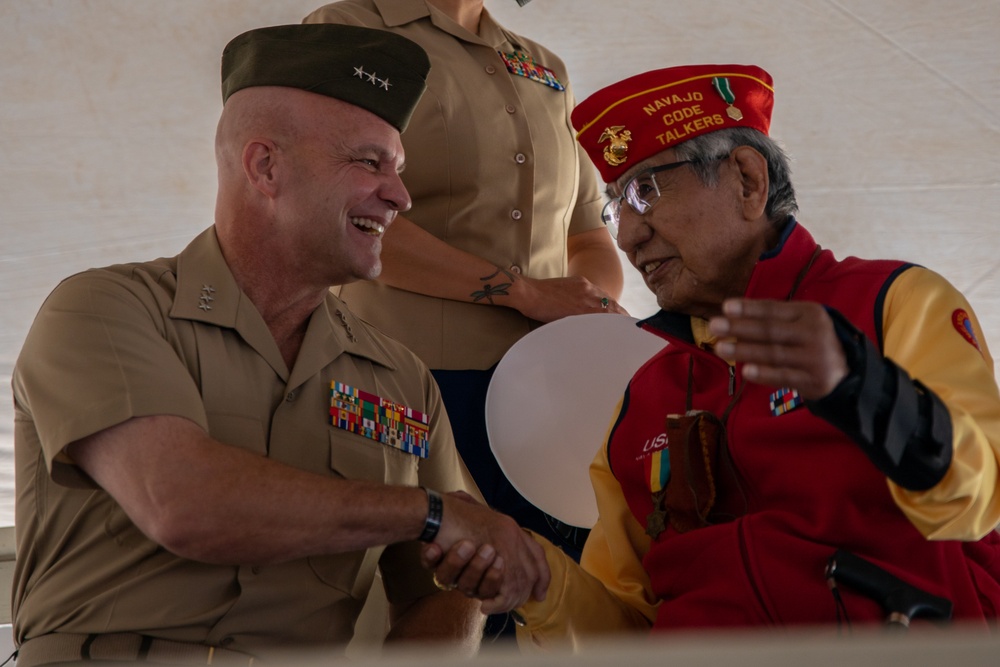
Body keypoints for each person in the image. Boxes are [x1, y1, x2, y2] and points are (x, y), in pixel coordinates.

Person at [10, 23, 549, 666]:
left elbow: (446, 583)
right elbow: (182, 502)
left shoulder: (402, 379)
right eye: (369, 162)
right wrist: (427, 513)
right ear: (266, 166)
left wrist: (471, 566)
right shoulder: (104, 309)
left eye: (399, 170)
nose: (400, 196)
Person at [427, 63, 1000, 646]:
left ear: (748, 181)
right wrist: (539, 579)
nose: (626, 236)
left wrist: (861, 387)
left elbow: (975, 500)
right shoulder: (642, 397)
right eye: (614, 209)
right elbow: (625, 633)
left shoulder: (889, 303)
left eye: (643, 192)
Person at [301, 0, 626, 570]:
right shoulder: (348, 30)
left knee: (560, 595)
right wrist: (523, 293)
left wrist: (591, 308)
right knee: (431, 599)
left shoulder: (543, 67)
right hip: (403, 382)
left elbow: (589, 236)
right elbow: (342, 210)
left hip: (550, 391)